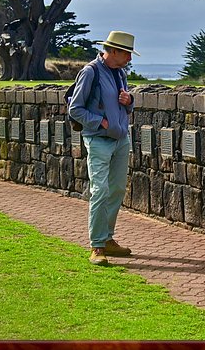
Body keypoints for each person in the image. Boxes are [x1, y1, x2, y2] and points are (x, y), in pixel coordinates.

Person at [68, 30, 139, 265]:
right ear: (114, 51)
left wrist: (129, 102)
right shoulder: (90, 72)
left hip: (121, 139)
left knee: (117, 189)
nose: (130, 59)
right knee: (100, 190)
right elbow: (75, 109)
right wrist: (101, 122)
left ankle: (108, 238)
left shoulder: (120, 73)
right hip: (99, 139)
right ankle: (97, 246)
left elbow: (124, 103)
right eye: (127, 53)